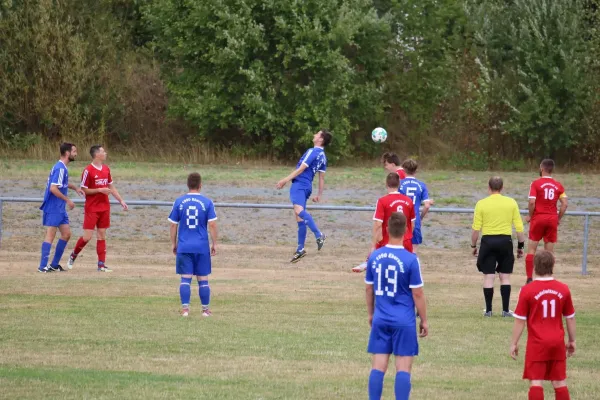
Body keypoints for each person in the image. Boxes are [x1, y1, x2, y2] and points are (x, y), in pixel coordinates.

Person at [365, 212, 428, 400]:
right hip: (404, 320)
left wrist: (371, 314)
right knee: (403, 367)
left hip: (381, 318)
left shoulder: (374, 256)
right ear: (407, 231)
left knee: (378, 366)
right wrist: (424, 320)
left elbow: (369, 289)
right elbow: (417, 293)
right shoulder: (411, 260)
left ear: (386, 229)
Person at [510, 250, 576, 400]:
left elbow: (520, 320)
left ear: (534, 266)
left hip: (537, 344)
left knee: (536, 381)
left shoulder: (527, 290)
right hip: (557, 342)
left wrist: (514, 343)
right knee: (559, 381)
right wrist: (572, 340)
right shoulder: (563, 289)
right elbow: (570, 318)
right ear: (553, 265)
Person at [67, 145, 128, 272]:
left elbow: (111, 187)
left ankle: (101, 264)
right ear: (96, 155)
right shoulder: (88, 170)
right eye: (103, 151)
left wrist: (121, 200)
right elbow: (84, 190)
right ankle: (73, 255)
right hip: (92, 208)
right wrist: (99, 190)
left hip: (105, 207)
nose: (105, 153)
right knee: (87, 237)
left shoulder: (106, 169)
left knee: (101, 236)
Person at [471, 176, 525, 317]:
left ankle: (488, 310)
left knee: (489, 276)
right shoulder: (511, 202)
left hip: (488, 241)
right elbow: (519, 228)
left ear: (489, 188)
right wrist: (520, 245)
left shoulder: (481, 204)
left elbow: (476, 229)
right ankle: (505, 310)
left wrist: (473, 245)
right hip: (505, 241)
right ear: (502, 188)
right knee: (505, 277)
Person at [276, 129, 332, 263]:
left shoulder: (313, 151)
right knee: (299, 218)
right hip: (307, 186)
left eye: (317, 134)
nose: (314, 135)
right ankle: (300, 249)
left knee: (299, 211)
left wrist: (285, 180)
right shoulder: (323, 156)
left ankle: (319, 234)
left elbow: (301, 169)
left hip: (300, 185)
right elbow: (322, 178)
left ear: (321, 139)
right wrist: (319, 194)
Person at [169, 172, 218, 317]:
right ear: (200, 185)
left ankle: (185, 310)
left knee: (185, 278)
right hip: (201, 246)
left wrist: (173, 243)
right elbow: (213, 225)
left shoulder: (179, 201)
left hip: (184, 245)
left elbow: (173, 225)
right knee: (203, 278)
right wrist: (215, 243)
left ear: (187, 185)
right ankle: (205, 310)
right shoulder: (207, 202)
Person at [352, 173, 415, 272]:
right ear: (399, 184)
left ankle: (369, 262)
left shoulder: (382, 201)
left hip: (388, 239)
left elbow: (378, 224)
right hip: (405, 239)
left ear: (386, 184)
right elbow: (412, 223)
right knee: (405, 269)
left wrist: (373, 244)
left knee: (384, 268)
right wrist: (408, 236)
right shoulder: (408, 201)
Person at [38, 143, 84, 273]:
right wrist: (67, 200)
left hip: (59, 207)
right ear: (68, 153)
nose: (76, 153)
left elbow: (61, 183)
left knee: (66, 234)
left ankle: (54, 264)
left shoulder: (62, 168)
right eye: (74, 151)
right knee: (50, 235)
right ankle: (42, 266)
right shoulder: (60, 168)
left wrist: (75, 188)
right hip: (54, 206)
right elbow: (53, 188)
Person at [525, 159, 568, 284]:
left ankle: (529, 278)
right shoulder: (558, 185)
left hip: (538, 218)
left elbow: (532, 202)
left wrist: (531, 216)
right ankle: (548, 278)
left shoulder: (535, 184)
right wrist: (558, 218)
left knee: (532, 249)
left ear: (541, 168)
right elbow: (564, 204)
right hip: (552, 218)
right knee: (549, 251)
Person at [399, 159, 433, 253]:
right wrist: (420, 217)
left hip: (400, 219)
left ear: (403, 170)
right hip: (415, 218)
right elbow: (427, 205)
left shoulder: (399, 184)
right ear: (416, 171)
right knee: (413, 251)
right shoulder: (421, 185)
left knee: (399, 248)